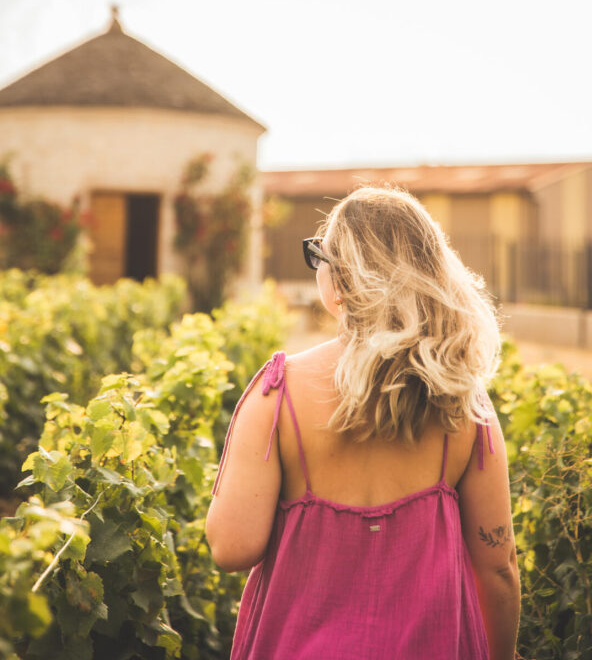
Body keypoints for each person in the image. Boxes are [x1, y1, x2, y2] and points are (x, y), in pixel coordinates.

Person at [206, 185, 521, 660]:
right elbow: (498, 569)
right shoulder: (465, 404)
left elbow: (231, 547)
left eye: (320, 256)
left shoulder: (279, 392)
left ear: (341, 280)